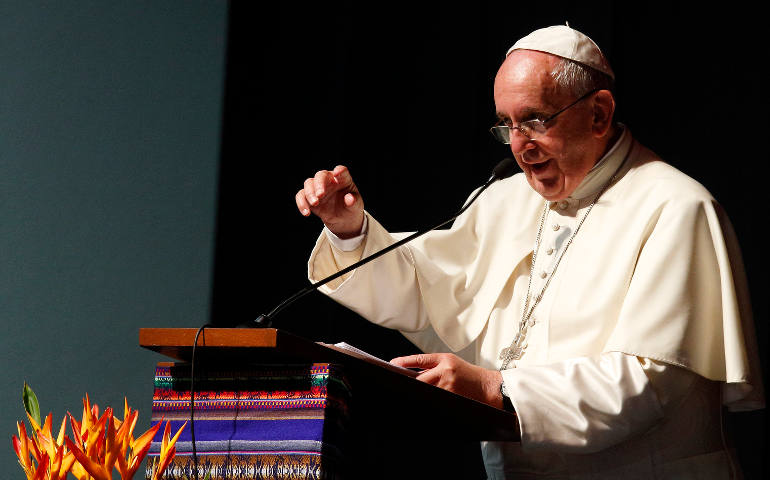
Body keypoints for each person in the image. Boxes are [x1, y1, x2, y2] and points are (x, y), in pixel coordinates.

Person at [294, 25, 764, 479]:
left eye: (536, 120)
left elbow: (648, 382)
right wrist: (349, 228)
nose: (520, 145)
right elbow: (425, 290)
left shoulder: (675, 207)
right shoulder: (505, 199)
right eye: (506, 125)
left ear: (599, 113)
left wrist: (494, 387)